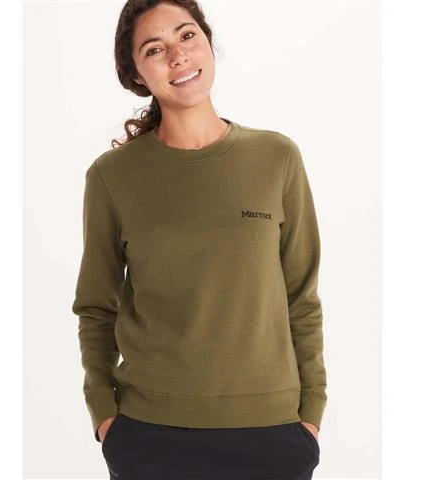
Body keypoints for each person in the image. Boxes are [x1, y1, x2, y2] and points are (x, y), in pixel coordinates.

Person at [71, 0, 328, 478]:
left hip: (272, 431)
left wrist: (311, 409)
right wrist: (104, 413)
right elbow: (96, 306)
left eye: (187, 35)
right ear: (136, 75)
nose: (178, 55)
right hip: (150, 434)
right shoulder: (112, 177)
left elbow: (301, 296)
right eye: (154, 49)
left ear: (208, 42)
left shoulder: (277, 158)